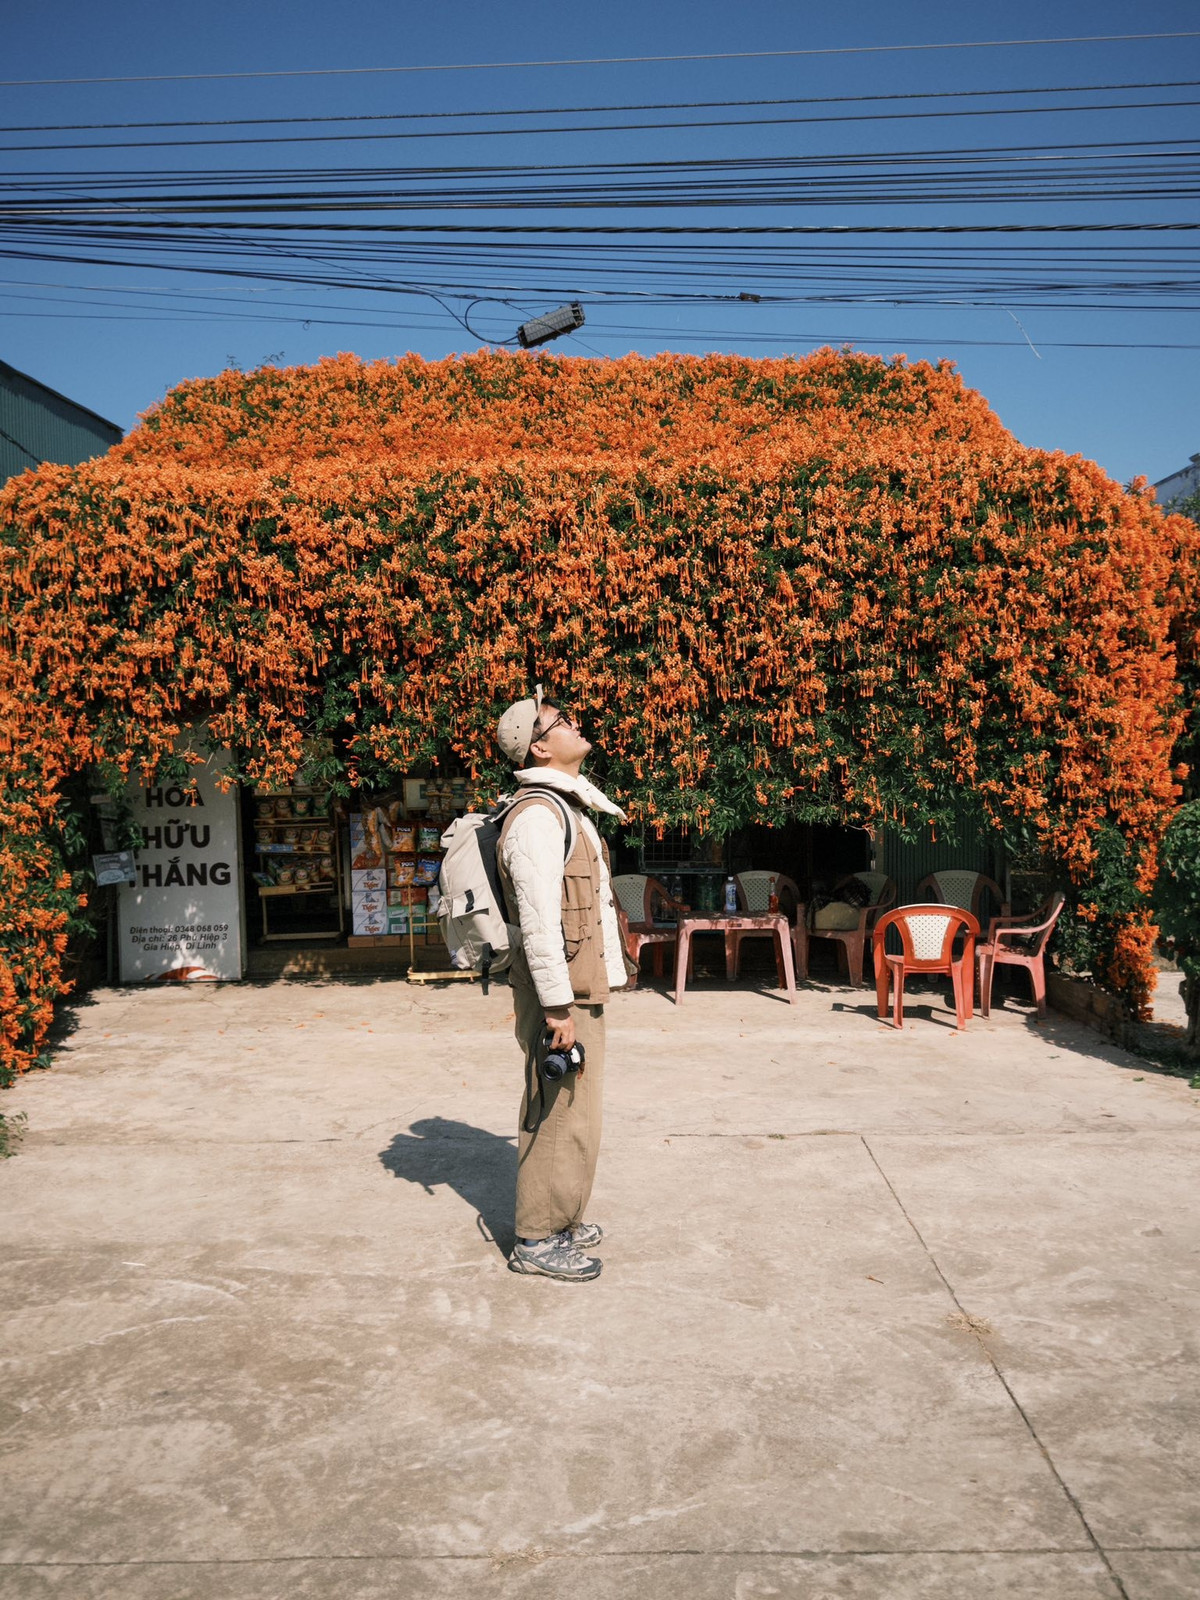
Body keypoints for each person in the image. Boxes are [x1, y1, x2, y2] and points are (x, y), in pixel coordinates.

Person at [495, 690, 629, 1281]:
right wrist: (556, 1006)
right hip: (562, 993)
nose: (576, 724)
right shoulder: (535, 819)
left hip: (580, 984)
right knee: (556, 1111)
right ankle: (535, 1238)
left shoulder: (565, 807)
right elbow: (540, 924)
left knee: (579, 1111)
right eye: (561, 721)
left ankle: (564, 1214)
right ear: (540, 746)